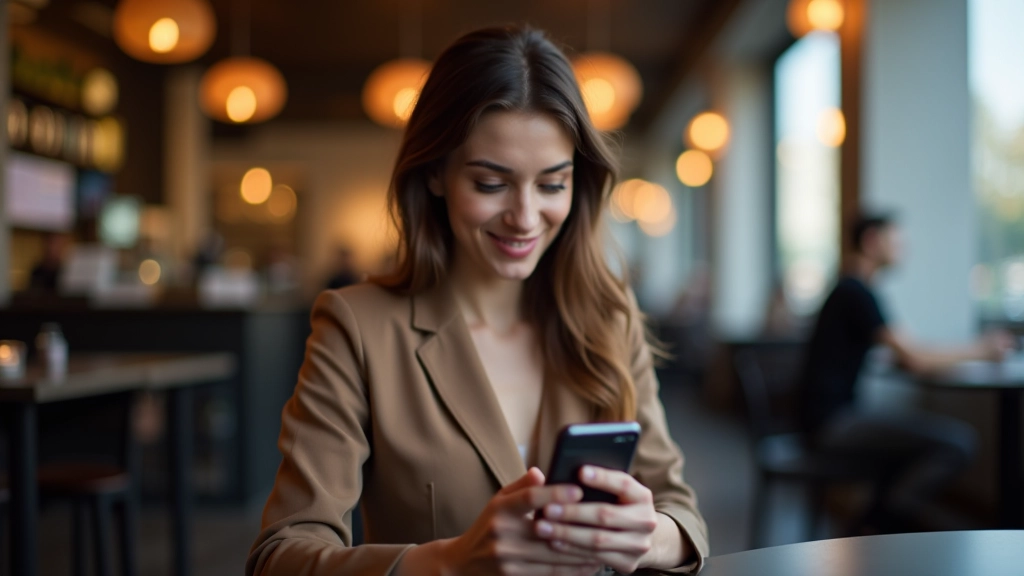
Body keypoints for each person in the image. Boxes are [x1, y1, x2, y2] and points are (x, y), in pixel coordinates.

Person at [247, 26, 708, 576]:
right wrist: (451, 560)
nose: (525, 216)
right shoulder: (359, 327)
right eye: (491, 183)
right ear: (436, 173)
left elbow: (680, 512)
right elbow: (280, 556)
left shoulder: (608, 319)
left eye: (552, 184)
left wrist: (651, 537)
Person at [797, 213, 1015, 529]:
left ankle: (873, 527)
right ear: (871, 240)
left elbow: (905, 352)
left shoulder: (850, 289)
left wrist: (910, 354)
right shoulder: (855, 292)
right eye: (896, 241)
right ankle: (872, 528)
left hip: (824, 417)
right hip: (831, 423)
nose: (903, 249)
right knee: (957, 443)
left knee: (911, 450)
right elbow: (915, 358)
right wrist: (983, 349)